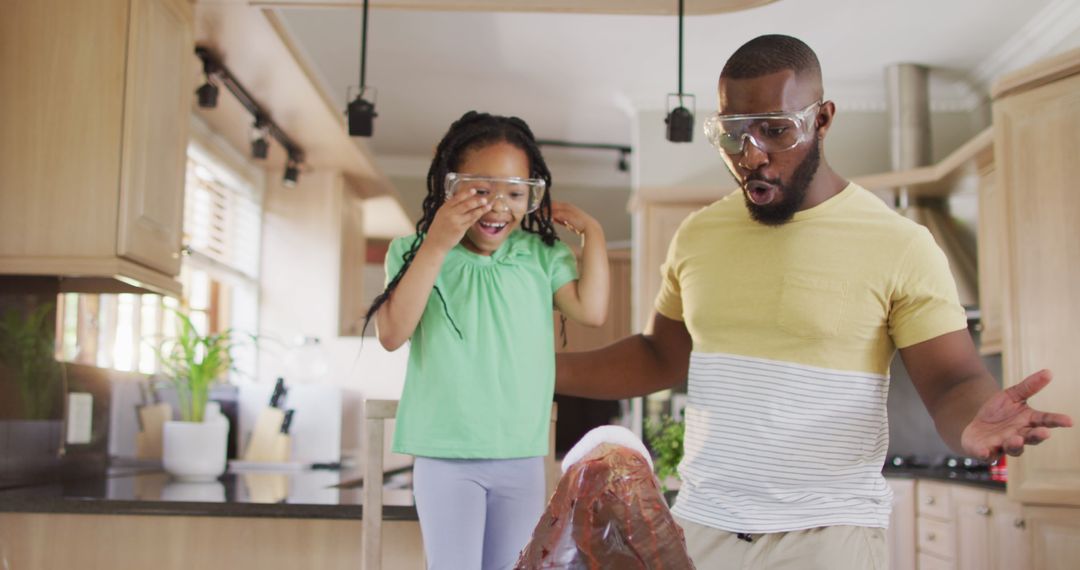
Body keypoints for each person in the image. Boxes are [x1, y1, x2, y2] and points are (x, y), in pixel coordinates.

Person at [555, 34, 1073, 569]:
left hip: (825, 537)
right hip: (703, 529)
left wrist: (973, 424)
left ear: (822, 119)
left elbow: (953, 380)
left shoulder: (898, 244)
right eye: (733, 135)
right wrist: (534, 370)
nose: (751, 155)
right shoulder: (698, 235)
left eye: (776, 130)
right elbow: (658, 355)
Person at [365, 110, 610, 570]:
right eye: (481, 190)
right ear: (448, 186)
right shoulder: (412, 250)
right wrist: (437, 243)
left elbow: (592, 311)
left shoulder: (543, 255)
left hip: (521, 454)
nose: (499, 206)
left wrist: (593, 234)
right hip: (445, 456)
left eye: (516, 193)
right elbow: (392, 334)